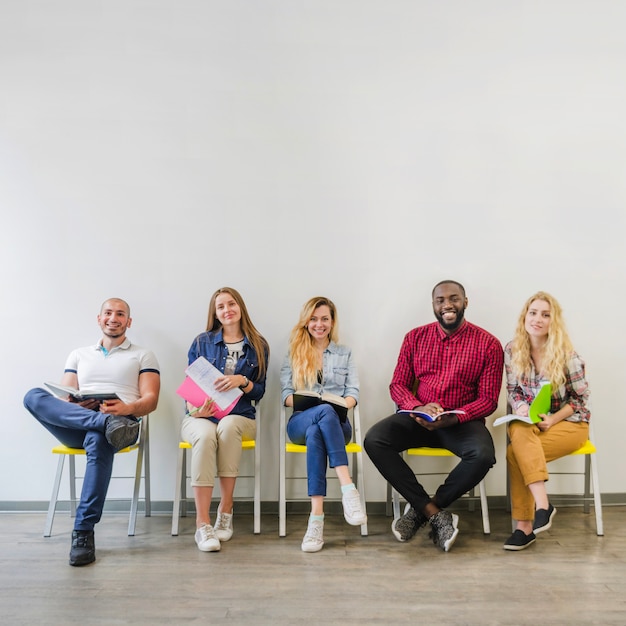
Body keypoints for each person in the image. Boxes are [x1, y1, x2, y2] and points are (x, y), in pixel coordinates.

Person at [364, 280, 503, 552]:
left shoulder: (488, 344)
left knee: (483, 455)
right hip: (419, 419)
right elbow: (398, 385)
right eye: (440, 300)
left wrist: (456, 418)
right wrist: (416, 407)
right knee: (375, 439)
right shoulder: (414, 338)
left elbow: (488, 400)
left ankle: (425, 510)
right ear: (433, 305)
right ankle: (436, 515)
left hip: (460, 422)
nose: (447, 305)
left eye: (454, 299)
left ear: (465, 302)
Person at [23, 298, 160, 567]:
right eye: (108, 313)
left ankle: (83, 531)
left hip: (123, 424)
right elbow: (63, 400)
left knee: (99, 439)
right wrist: (76, 403)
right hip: (83, 422)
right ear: (99, 319)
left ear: (128, 322)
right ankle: (101, 423)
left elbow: (151, 400)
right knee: (33, 396)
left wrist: (125, 407)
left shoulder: (143, 355)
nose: (113, 318)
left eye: (120, 314)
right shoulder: (78, 354)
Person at [181, 287, 269, 552]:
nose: (227, 310)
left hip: (240, 417)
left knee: (228, 427)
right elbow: (188, 387)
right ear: (215, 313)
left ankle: (226, 509)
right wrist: (196, 410)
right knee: (207, 435)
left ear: (240, 307)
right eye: (220, 307)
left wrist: (243, 381)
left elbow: (261, 391)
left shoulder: (258, 345)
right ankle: (203, 523)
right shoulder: (202, 342)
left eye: (231, 304)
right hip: (200, 416)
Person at [503, 291, 590, 551]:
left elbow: (580, 400)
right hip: (532, 426)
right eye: (533, 313)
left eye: (545, 314)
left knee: (514, 452)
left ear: (553, 321)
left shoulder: (567, 355)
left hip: (571, 425)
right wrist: (519, 407)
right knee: (517, 427)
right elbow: (513, 391)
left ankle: (525, 526)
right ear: (524, 317)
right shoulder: (512, 349)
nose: (537, 319)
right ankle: (542, 507)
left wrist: (553, 419)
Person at [280, 296, 367, 553]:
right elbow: (285, 396)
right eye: (314, 319)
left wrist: (343, 403)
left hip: (338, 425)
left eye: (325, 319)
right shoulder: (294, 353)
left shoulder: (345, 353)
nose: (319, 324)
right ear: (306, 321)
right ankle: (348, 488)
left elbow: (353, 392)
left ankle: (316, 520)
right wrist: (309, 401)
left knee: (320, 425)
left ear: (332, 321)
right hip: (299, 422)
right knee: (321, 412)